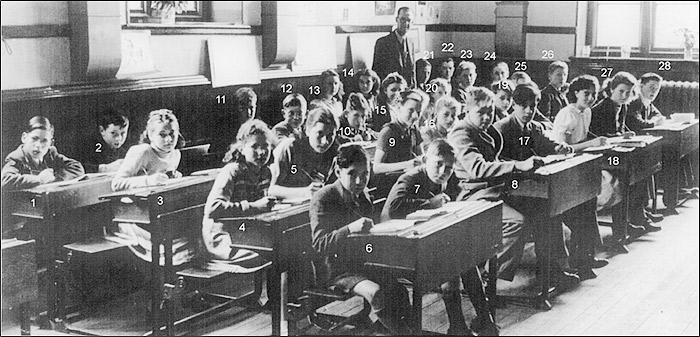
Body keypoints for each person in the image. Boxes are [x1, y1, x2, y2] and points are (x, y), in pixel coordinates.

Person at [447, 87, 580, 289]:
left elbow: (497, 160)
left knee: (547, 209)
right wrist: (518, 165)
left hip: (498, 191)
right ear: (467, 110)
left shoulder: (485, 130)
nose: (486, 117)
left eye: (489, 112)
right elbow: (477, 168)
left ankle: (553, 271)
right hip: (475, 196)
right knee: (518, 222)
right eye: (480, 112)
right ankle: (487, 279)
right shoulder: (461, 132)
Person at [381, 139, 498, 335]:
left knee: (466, 260)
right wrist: (428, 203)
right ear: (426, 160)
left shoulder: (443, 179)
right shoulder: (411, 179)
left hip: (423, 237)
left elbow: (452, 195)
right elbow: (394, 209)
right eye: (438, 164)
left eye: (449, 168)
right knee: (454, 261)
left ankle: (483, 321)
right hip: (396, 244)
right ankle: (459, 326)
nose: (443, 171)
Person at [494, 84, 607, 280]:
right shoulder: (501, 128)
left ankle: (572, 263)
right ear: (514, 104)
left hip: (530, 187)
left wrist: (561, 148)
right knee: (547, 211)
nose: (530, 111)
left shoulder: (534, 127)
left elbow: (548, 145)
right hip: (507, 189)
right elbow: (496, 163)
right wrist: (520, 164)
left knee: (575, 204)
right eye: (524, 106)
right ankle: (550, 271)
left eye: (534, 106)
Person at [310, 143, 413, 335]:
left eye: (365, 174)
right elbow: (319, 244)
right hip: (335, 269)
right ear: (338, 171)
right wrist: (349, 229)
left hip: (362, 262)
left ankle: (395, 329)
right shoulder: (323, 197)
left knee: (398, 290)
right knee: (376, 292)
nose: (359, 180)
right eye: (351, 174)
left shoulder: (363, 195)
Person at [111, 109, 194, 266]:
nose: (169, 139)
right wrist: (149, 180)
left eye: (173, 134)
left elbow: (162, 179)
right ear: (150, 135)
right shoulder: (142, 151)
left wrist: (173, 177)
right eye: (162, 135)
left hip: (159, 209)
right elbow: (117, 184)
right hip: (133, 214)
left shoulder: (176, 154)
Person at [590, 72, 659, 252]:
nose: (624, 96)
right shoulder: (604, 107)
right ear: (611, 89)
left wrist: (625, 133)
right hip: (598, 156)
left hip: (613, 153)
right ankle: (619, 235)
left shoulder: (622, 107)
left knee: (639, 172)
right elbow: (601, 135)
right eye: (621, 91)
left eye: (628, 93)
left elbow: (619, 129)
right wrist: (620, 136)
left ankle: (630, 223)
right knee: (622, 179)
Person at [202, 120, 277, 264]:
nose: (261, 152)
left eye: (265, 146)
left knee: (286, 248)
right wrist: (254, 206)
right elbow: (213, 209)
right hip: (223, 236)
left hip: (243, 232)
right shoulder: (232, 171)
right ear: (242, 148)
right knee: (269, 254)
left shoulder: (266, 172)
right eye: (254, 147)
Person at [269, 106, 339, 201]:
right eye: (320, 134)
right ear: (308, 130)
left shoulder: (332, 153)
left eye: (330, 136)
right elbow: (272, 190)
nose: (324, 142)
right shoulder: (290, 148)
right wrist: (305, 192)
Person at [626, 73, 671, 217]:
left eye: (656, 89)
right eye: (651, 87)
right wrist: (653, 122)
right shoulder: (636, 101)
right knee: (645, 163)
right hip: (629, 145)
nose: (653, 92)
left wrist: (655, 120)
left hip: (638, 143)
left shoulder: (647, 102)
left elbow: (659, 115)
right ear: (641, 86)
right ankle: (639, 212)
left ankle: (642, 211)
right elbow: (636, 123)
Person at [2, 116, 84, 190]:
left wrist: (55, 178)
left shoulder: (50, 154)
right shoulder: (16, 158)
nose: (38, 145)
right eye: (34, 138)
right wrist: (39, 179)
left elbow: (77, 167)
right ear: (24, 138)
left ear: (51, 144)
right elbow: (5, 180)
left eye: (44, 141)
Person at [374, 89, 424, 175]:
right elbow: (377, 167)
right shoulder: (388, 131)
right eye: (410, 110)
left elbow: (421, 155)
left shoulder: (414, 129)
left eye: (418, 112)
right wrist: (406, 165)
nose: (415, 116)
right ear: (399, 107)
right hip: (390, 180)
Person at [373, 6, 415, 88]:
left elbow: (412, 72)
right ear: (397, 20)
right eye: (403, 19)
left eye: (409, 20)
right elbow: (377, 72)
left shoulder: (411, 42)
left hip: (406, 92)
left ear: (412, 23)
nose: (406, 23)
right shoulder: (383, 42)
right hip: (389, 92)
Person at [211, 87, 258, 153]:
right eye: (243, 108)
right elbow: (214, 154)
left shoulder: (260, 127)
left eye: (251, 108)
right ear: (236, 108)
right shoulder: (224, 129)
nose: (248, 113)